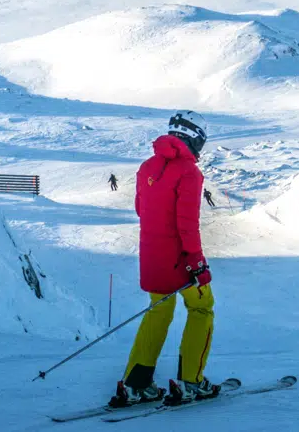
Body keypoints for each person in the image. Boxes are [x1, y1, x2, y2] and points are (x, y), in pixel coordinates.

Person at [109, 111, 218, 409]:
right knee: (201, 307)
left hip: (152, 257)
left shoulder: (147, 166)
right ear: (195, 138)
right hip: (180, 259)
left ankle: (136, 384)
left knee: (158, 310)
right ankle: (192, 381)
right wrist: (196, 262)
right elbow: (187, 224)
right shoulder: (188, 172)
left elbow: (141, 210)